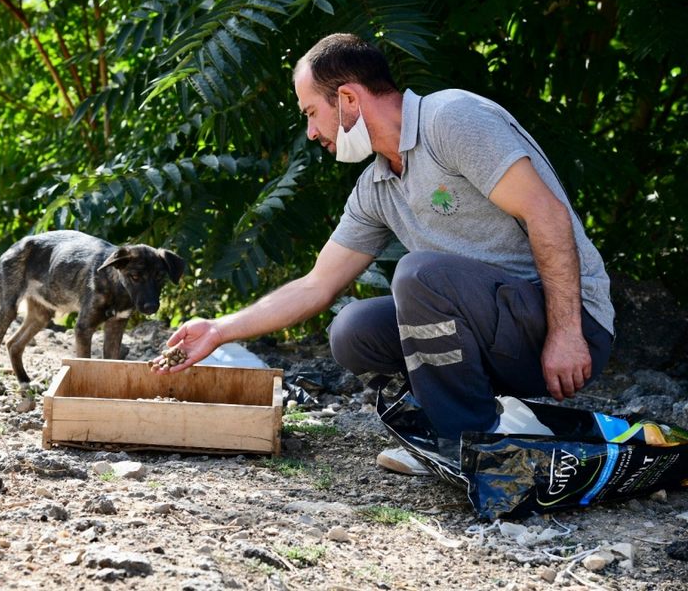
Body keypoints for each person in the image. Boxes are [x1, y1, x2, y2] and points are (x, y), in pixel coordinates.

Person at [153, 33, 615, 474]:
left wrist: (568, 333)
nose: (312, 132)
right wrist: (219, 329)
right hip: (498, 334)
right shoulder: (376, 186)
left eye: (312, 113)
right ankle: (471, 424)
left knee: (418, 275)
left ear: (349, 99)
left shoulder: (450, 118)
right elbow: (317, 284)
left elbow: (548, 216)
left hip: (567, 325)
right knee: (353, 330)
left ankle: (464, 444)